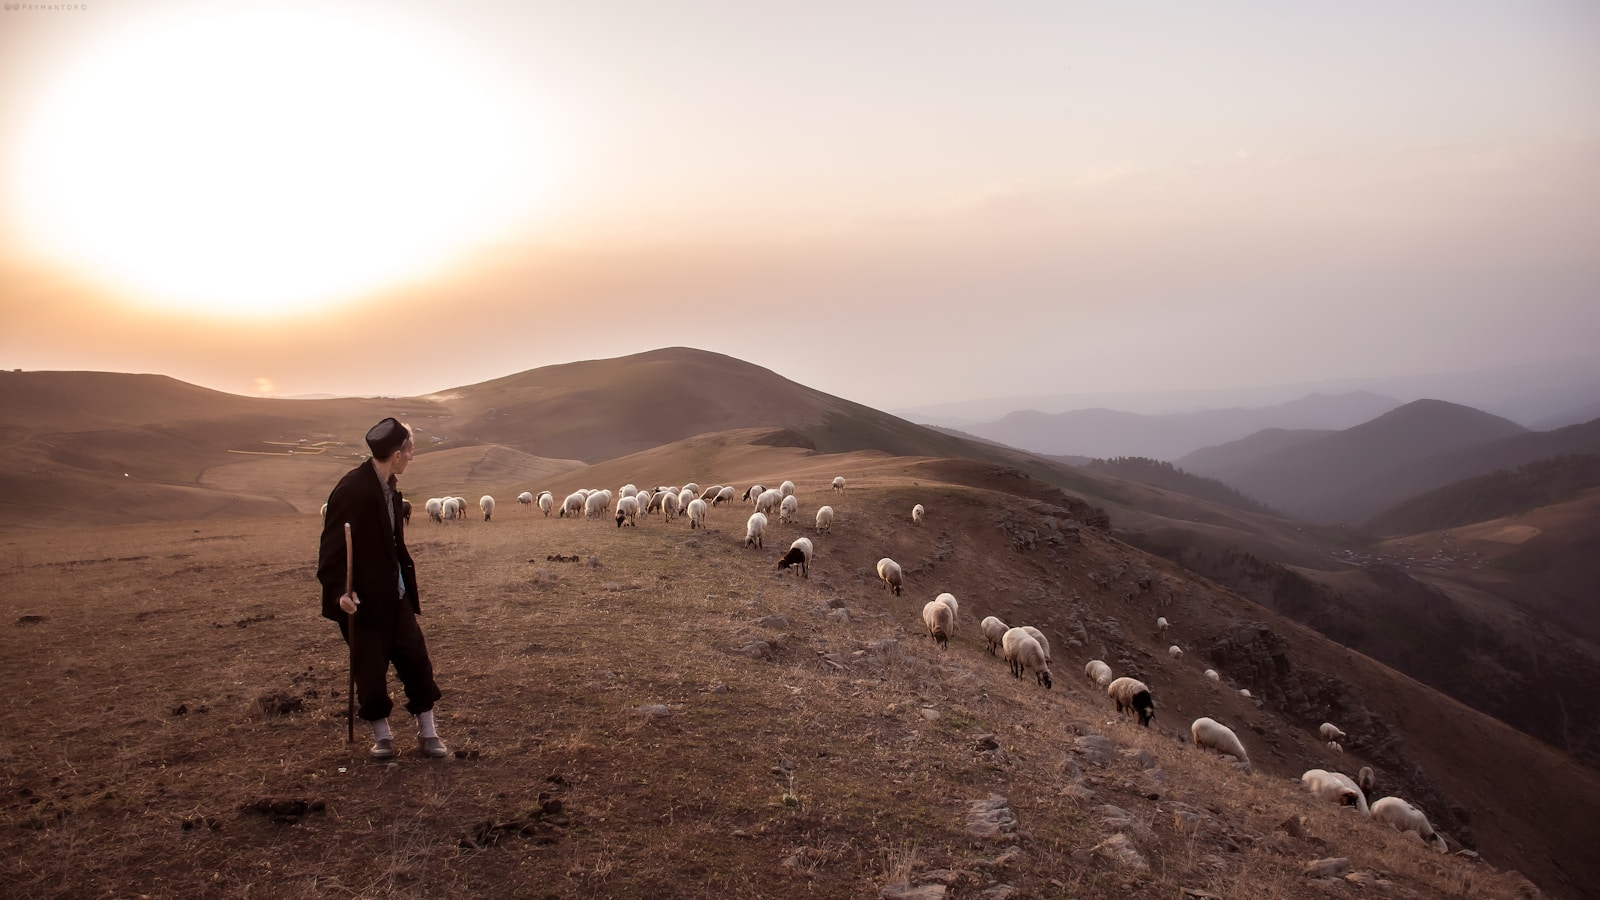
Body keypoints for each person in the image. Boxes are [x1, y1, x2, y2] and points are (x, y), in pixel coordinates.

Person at [316, 417, 448, 759]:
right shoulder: (352, 490)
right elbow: (331, 549)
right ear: (396, 454)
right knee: (370, 670)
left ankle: (428, 733)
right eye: (410, 451)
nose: (412, 457)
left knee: (417, 661)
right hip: (363, 602)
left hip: (396, 595)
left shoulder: (389, 488)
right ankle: (383, 736)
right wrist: (338, 593)